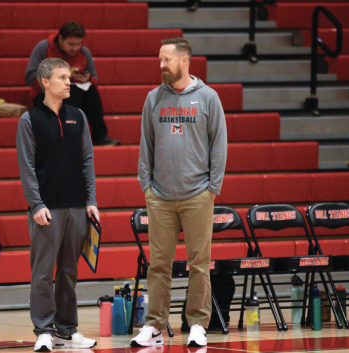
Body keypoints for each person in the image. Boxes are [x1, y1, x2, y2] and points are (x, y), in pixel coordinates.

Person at [131, 37, 227, 347]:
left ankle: (197, 323)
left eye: (167, 60)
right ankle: (155, 325)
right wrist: (146, 186)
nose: (161, 65)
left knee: (200, 263)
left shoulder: (209, 98)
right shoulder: (152, 99)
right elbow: (145, 145)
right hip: (159, 196)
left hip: (198, 194)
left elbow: (219, 146)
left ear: (184, 61)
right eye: (159, 60)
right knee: (159, 264)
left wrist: (212, 189)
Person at [17, 58, 99, 352]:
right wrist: (35, 204)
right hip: (46, 210)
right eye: (62, 77)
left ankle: (68, 329)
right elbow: (26, 168)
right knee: (42, 273)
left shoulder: (78, 115)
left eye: (69, 77)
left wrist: (91, 200)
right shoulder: (30, 120)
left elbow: (87, 161)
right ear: (45, 82)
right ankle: (43, 330)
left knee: (68, 272)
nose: (69, 82)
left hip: (76, 208)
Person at [25, 21, 120, 147]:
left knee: (91, 91)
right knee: (71, 93)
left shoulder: (84, 52)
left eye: (78, 44)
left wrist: (87, 79)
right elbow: (30, 77)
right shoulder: (43, 48)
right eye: (70, 44)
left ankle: (100, 136)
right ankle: (70, 138)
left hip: (75, 92)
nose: (75, 48)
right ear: (60, 39)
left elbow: (94, 79)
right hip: (45, 94)